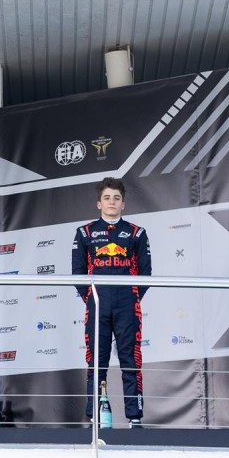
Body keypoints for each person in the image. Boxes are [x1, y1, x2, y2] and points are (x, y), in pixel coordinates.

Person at [72, 176, 152, 427]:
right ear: (99, 203)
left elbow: (146, 275)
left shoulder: (137, 233)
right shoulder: (85, 232)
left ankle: (135, 418)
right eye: (107, 198)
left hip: (128, 303)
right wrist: (93, 299)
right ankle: (95, 417)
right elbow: (78, 274)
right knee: (97, 360)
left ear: (123, 204)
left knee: (131, 359)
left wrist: (131, 297)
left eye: (116, 198)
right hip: (98, 303)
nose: (112, 202)